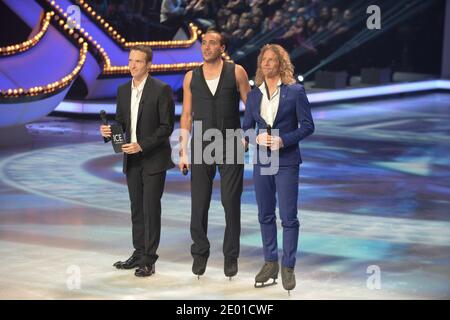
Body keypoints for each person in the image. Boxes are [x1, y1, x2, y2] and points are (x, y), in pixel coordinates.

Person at [178, 29, 251, 279]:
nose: (206, 47)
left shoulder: (236, 71)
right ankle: (200, 253)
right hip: (201, 144)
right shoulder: (191, 77)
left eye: (212, 43)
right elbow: (186, 115)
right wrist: (183, 150)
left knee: (231, 203)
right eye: (204, 43)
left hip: (230, 142)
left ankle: (230, 256)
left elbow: (250, 108)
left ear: (222, 48)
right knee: (199, 204)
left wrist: (247, 137)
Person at [242, 44, 314, 293]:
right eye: (263, 60)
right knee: (265, 214)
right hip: (262, 160)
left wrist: (283, 139)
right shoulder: (254, 95)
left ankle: (288, 266)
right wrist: (253, 138)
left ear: (281, 64)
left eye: (272, 60)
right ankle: (270, 262)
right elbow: (247, 129)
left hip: (286, 160)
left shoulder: (295, 92)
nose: (266, 64)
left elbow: (307, 126)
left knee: (288, 216)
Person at [100, 45, 175, 277]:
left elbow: (166, 127)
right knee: (137, 210)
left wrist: (141, 144)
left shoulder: (161, 90)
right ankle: (139, 252)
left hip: (153, 159)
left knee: (151, 209)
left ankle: (149, 260)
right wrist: (109, 132)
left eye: (138, 61)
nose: (132, 65)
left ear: (148, 65)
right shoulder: (123, 90)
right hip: (131, 160)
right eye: (131, 60)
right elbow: (121, 123)